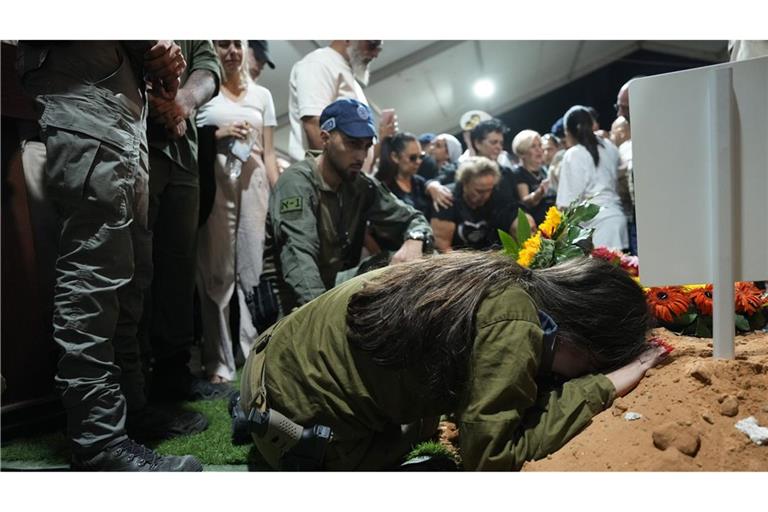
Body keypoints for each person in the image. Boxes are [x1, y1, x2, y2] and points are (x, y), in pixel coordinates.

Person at [239, 251, 668, 470]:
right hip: (297, 431)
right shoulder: (516, 323)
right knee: (430, 459)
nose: (585, 373)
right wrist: (604, 385)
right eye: (592, 363)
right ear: (585, 341)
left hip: (266, 375)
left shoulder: (502, 278)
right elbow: (492, 458)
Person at [18, 40, 201, 470]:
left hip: (120, 91)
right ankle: (98, 438)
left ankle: (130, 410)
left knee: (130, 270)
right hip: (85, 80)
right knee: (95, 268)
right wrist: (153, 42)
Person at [268, 98, 432, 314]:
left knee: (425, 259)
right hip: (293, 300)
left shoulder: (359, 184)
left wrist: (415, 240)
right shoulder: (297, 183)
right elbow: (299, 259)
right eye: (353, 144)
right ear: (325, 138)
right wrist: (324, 315)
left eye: (366, 146)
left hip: (334, 285)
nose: (361, 156)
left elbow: (412, 218)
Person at [142, 40, 230, 403]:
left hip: (182, 152)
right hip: (134, 142)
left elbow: (209, 67)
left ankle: (173, 372)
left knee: (179, 266)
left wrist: (184, 102)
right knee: (132, 266)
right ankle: (134, 379)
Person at [195, 40, 280, 384]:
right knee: (216, 271)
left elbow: (271, 153)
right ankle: (218, 362)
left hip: (253, 178)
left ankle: (254, 354)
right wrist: (219, 134)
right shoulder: (204, 92)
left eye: (236, 43)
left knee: (252, 270)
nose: (230, 50)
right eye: (221, 43)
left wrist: (277, 195)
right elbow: (192, 138)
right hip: (214, 178)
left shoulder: (262, 96)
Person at [288, 40, 393, 170]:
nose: (376, 53)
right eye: (372, 44)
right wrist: (338, 182)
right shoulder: (319, 64)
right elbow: (314, 126)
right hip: (325, 184)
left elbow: (361, 148)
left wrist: (383, 138)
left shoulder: (348, 76)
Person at [557, 105, 628, 250]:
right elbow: (621, 171)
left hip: (597, 227)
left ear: (569, 132)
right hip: (617, 219)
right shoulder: (609, 146)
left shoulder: (573, 154)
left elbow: (567, 203)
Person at [431, 157, 518, 251]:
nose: (485, 196)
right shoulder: (446, 200)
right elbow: (443, 247)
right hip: (456, 260)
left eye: (489, 190)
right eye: (479, 191)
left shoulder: (496, 196)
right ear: (465, 184)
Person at [377, 132, 432, 218]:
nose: (418, 161)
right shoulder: (385, 187)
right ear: (395, 157)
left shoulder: (420, 182)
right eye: (413, 157)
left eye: (421, 156)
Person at [510, 129, 554, 225]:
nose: (539, 149)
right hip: (536, 224)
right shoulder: (519, 173)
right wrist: (539, 192)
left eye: (539, 145)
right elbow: (525, 201)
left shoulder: (543, 170)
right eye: (533, 146)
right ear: (522, 152)